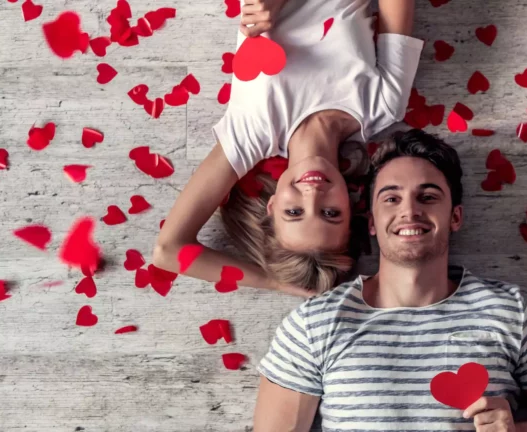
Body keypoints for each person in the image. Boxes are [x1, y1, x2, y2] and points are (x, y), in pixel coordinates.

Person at [252, 129, 527, 432]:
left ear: (455, 217)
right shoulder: (315, 324)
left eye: (428, 196)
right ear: (372, 222)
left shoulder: (510, 313)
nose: (410, 210)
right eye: (391, 198)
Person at [152, 0, 424, 296]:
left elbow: (168, 250)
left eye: (294, 212)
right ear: (352, 207)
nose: (313, 194)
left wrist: (276, 283)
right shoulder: (384, 105)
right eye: (331, 213)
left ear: (272, 206)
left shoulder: (251, 133)